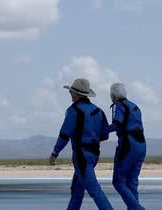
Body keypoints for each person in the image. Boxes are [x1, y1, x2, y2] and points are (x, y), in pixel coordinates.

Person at [49, 78, 114, 210]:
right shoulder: (98, 111)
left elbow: (64, 135)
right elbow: (105, 135)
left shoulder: (74, 111)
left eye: (71, 92)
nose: (70, 94)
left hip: (81, 156)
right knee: (77, 190)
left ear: (76, 94)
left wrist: (55, 153)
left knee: (94, 190)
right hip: (94, 154)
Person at [109, 83, 147, 210]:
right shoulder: (135, 106)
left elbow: (116, 125)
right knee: (132, 182)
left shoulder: (118, 106)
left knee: (118, 181)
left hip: (128, 145)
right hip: (141, 144)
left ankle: (137, 208)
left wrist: (100, 132)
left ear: (113, 95)